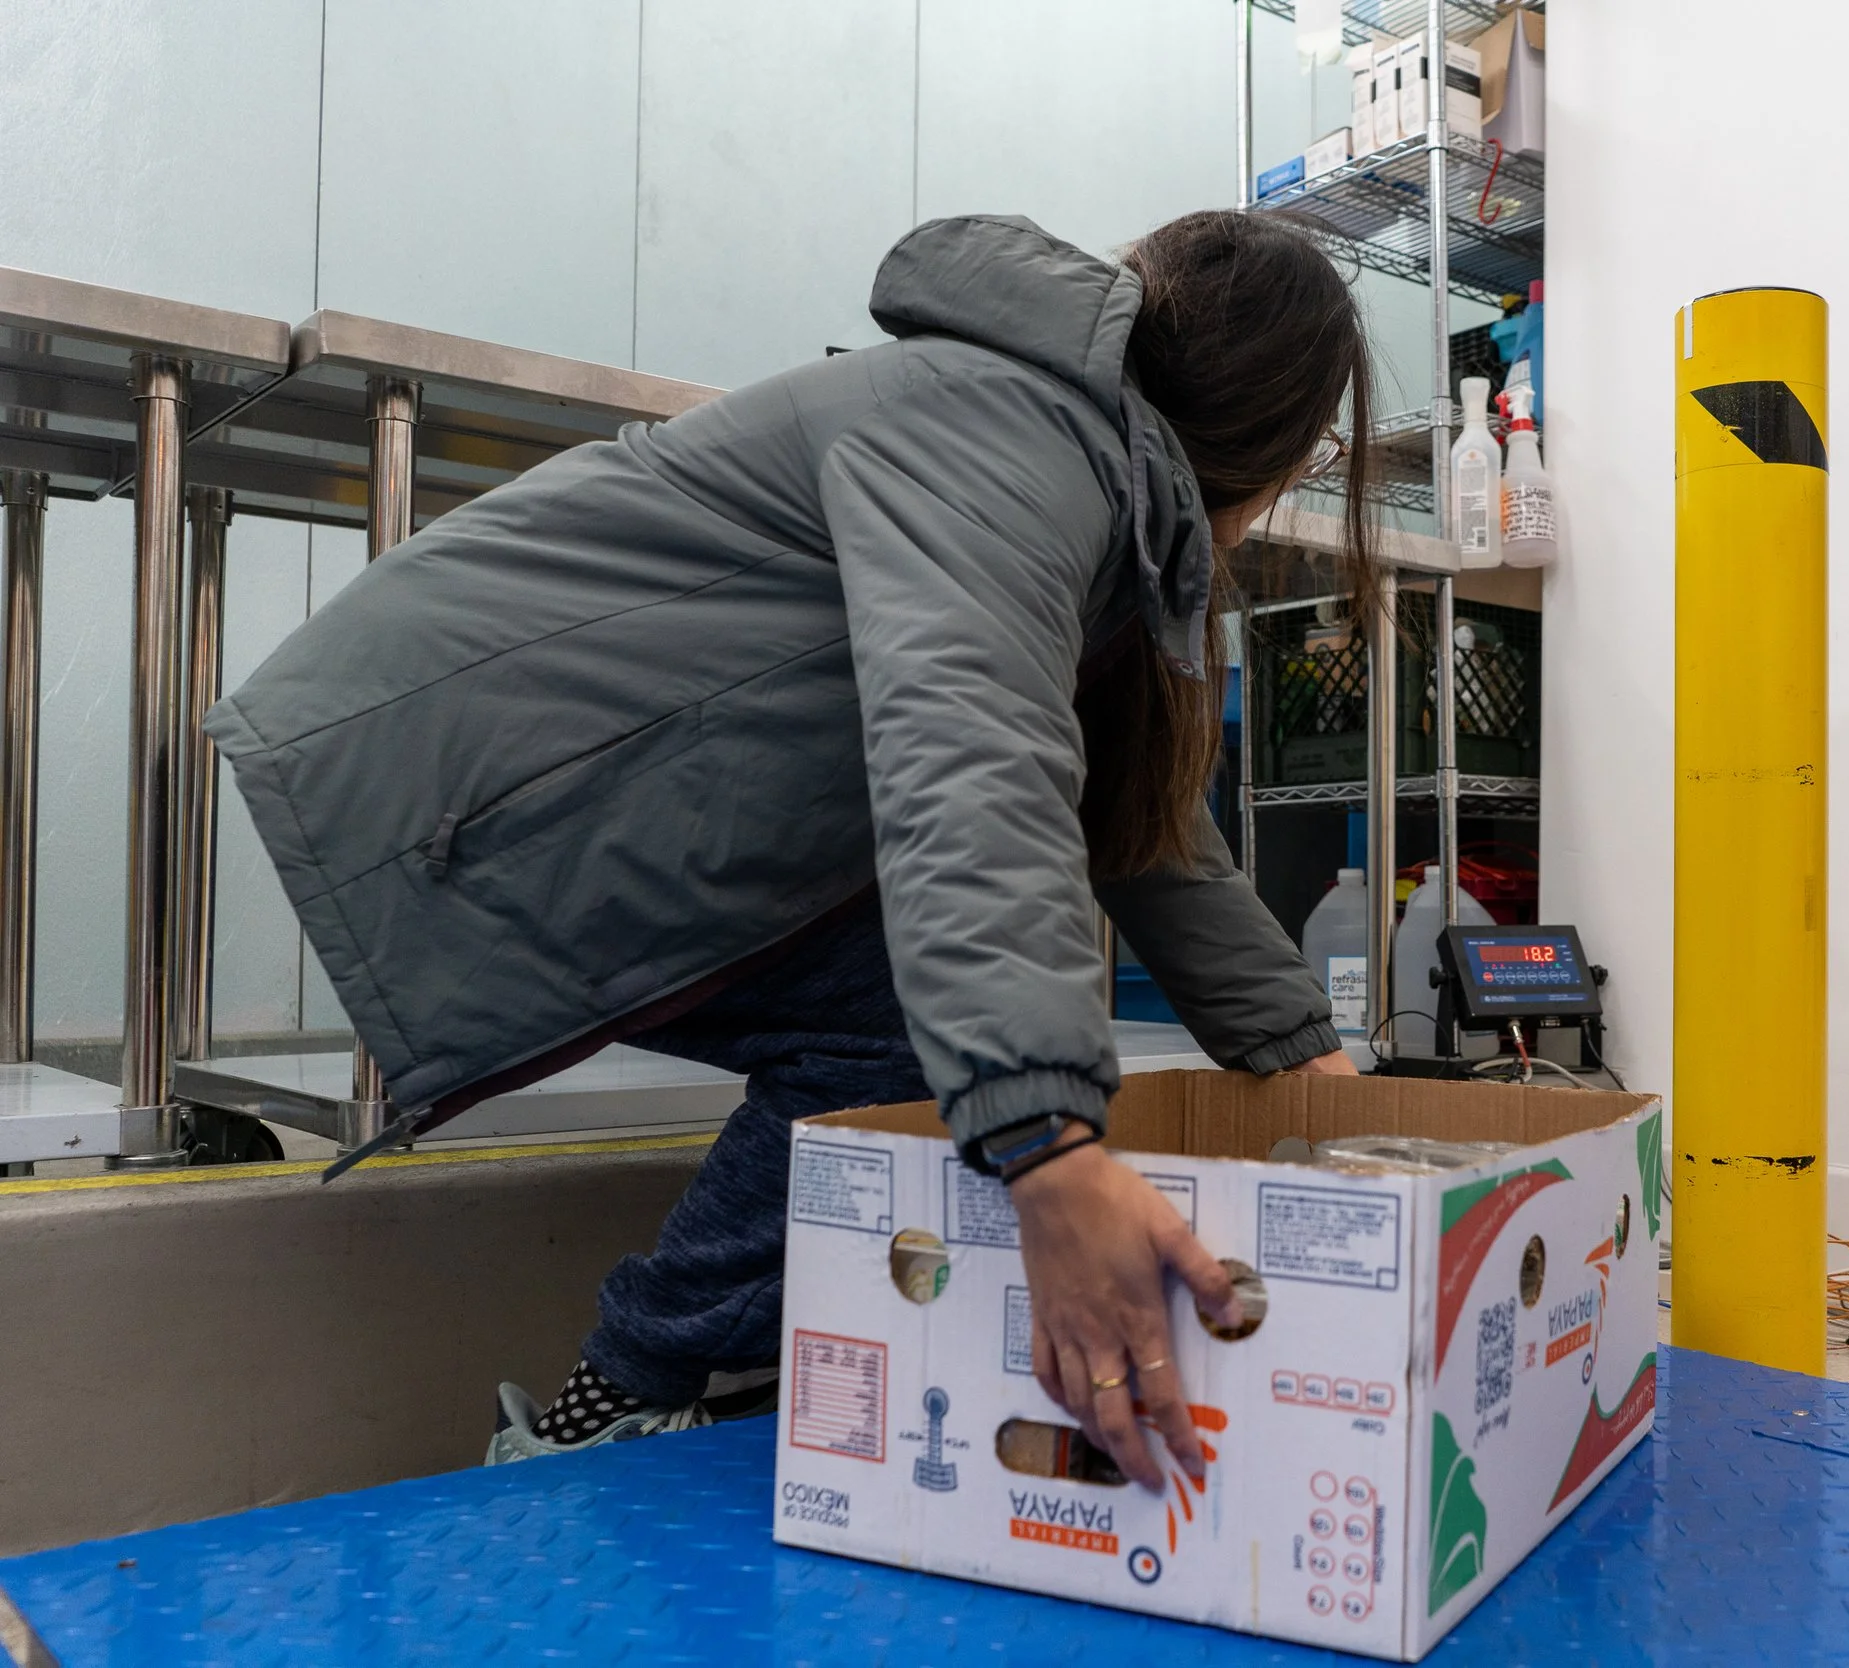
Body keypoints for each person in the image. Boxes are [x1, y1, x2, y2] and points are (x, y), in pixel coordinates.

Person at [206, 211, 1381, 1495]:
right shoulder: (1013, 429)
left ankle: (657, 1384)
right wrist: (1049, 1150)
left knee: (922, 1029)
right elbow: (973, 753)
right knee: (914, 1035)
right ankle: (618, 1402)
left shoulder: (1087, 475)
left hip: (505, 780)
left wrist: (1305, 1064)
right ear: (1275, 439)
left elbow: (1141, 834)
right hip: (451, 785)